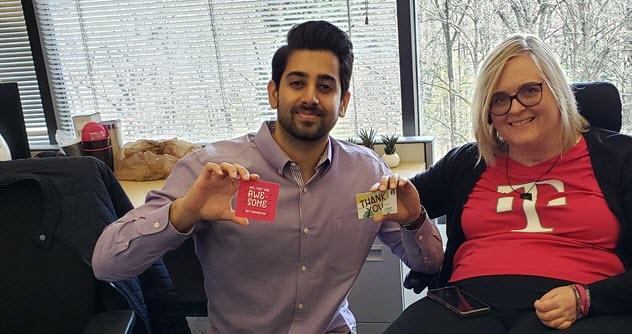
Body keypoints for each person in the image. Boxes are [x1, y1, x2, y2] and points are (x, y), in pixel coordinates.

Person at [92, 20, 443, 334]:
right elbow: (107, 264)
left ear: (344, 101)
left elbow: (427, 263)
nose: (310, 97)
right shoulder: (214, 171)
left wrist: (414, 221)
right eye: (296, 82)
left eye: (325, 86)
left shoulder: (365, 176)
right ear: (274, 92)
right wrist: (185, 211)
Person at [385, 33, 632, 334]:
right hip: (465, 306)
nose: (515, 109)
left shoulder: (620, 158)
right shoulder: (469, 161)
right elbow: (391, 201)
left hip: (579, 308)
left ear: (557, 91)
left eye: (530, 91)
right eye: (499, 99)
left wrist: (589, 298)